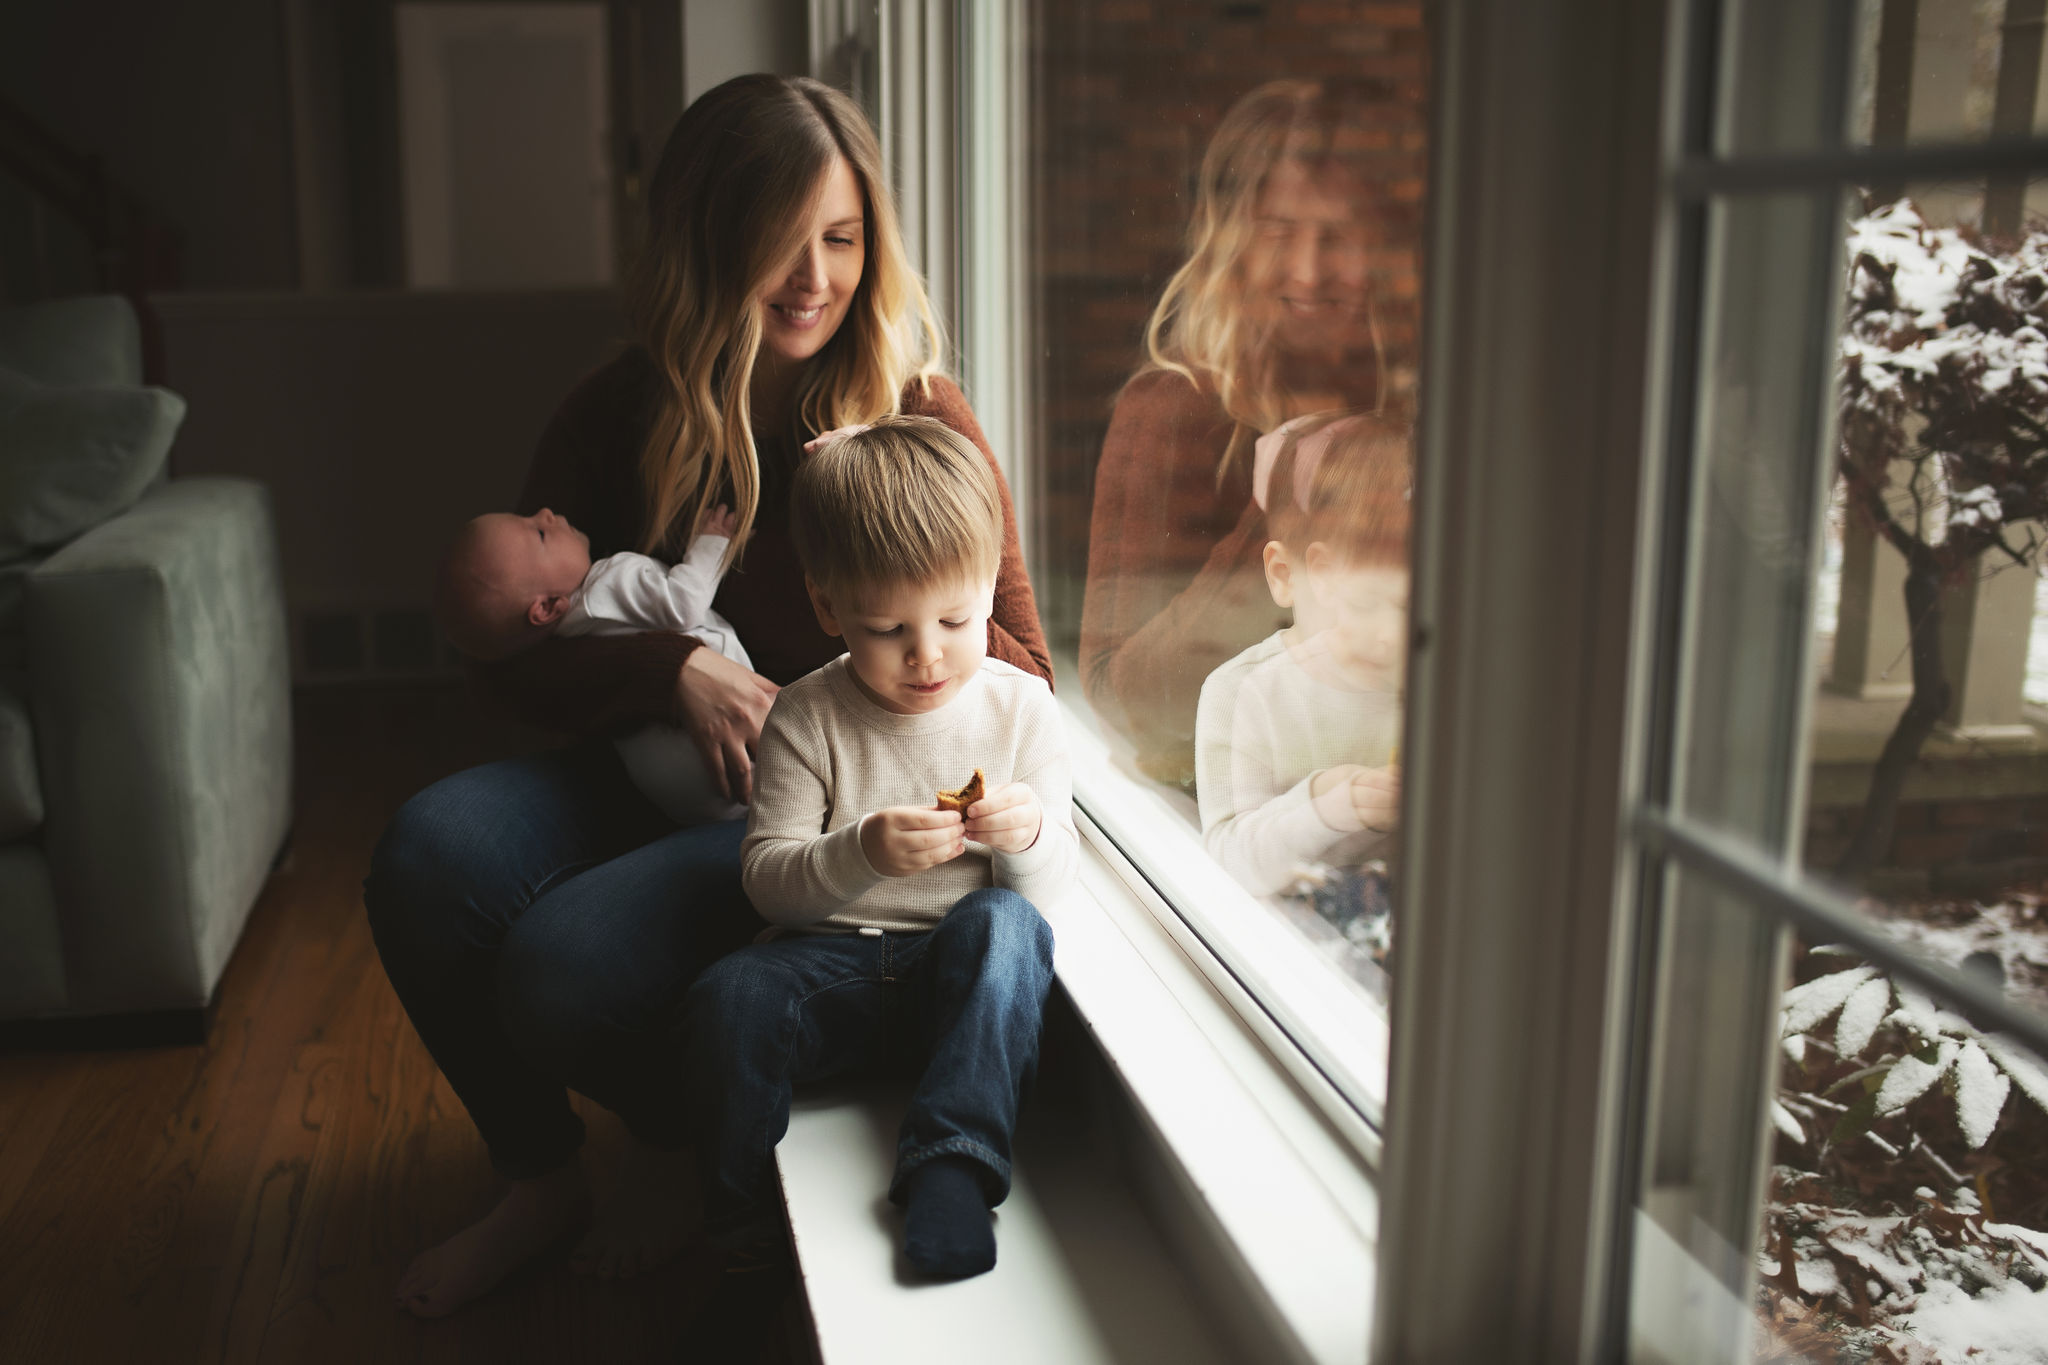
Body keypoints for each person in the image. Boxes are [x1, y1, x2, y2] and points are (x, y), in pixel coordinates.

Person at [363, 73, 1051, 1320]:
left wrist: (861, 692)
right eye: (775, 241)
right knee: (425, 853)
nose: (811, 276)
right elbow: (504, 652)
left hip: (806, 811)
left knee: (559, 968)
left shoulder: (917, 415)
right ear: (701, 241)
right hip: (641, 768)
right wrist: (670, 670)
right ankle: (541, 1179)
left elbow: (1025, 673)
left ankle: (705, 1150)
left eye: (840, 239)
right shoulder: (622, 410)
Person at [686, 416, 1074, 1290]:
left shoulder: (1022, 711)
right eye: (887, 628)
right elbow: (767, 884)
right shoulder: (809, 714)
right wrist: (858, 850)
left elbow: (1050, 896)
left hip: (958, 972)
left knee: (1006, 926)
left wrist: (1029, 835)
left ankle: (953, 1164)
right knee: (731, 993)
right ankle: (737, 1211)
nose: (928, 655)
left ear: (987, 592)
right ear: (829, 609)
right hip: (834, 968)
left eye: (955, 618)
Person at [1079, 77, 1420, 788]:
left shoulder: (1412, 411)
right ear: (1230, 242)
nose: (1308, 269)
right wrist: (1287, 495)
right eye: (1278, 232)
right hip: (1220, 843)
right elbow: (1120, 696)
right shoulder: (1172, 408)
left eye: (1339, 235)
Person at [1194, 412, 1408, 960]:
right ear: (1287, 576)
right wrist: (1327, 805)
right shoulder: (1245, 694)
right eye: (1363, 604)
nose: (1391, 635)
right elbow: (1230, 859)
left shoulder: (1429, 681)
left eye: (1413, 609)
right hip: (1290, 964)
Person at [435, 501, 749, 823]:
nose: (545, 512)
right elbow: (685, 602)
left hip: (680, 799)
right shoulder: (610, 581)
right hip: (738, 752)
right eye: (541, 534)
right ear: (546, 608)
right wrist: (712, 541)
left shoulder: (568, 642)